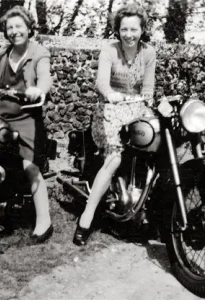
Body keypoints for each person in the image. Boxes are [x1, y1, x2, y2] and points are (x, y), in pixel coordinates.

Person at [73, 3, 156, 246]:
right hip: (110, 108)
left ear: (142, 30)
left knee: (156, 144)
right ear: (117, 30)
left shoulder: (149, 52)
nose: (129, 34)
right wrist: (110, 94)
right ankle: (86, 218)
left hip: (137, 107)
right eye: (124, 29)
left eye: (134, 29)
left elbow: (149, 87)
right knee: (114, 158)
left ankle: (148, 209)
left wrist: (149, 98)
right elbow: (101, 83)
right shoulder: (109, 49)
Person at [0, 5, 53, 243]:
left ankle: (44, 221)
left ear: (29, 28)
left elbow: (45, 78)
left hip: (27, 115)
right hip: (0, 114)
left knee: (29, 165)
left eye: (18, 26)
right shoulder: (1, 55)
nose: (14, 31)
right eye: (9, 27)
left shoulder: (39, 52)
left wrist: (38, 91)